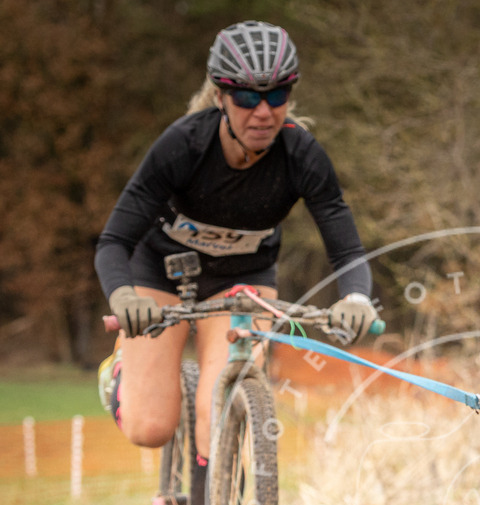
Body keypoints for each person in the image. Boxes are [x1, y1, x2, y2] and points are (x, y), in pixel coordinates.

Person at [94, 19, 377, 460]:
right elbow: (113, 241)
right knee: (149, 429)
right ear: (221, 96)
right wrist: (123, 296)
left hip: (242, 281)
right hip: (160, 274)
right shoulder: (183, 146)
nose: (263, 112)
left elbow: (347, 250)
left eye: (277, 95)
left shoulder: (302, 156)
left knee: (223, 417)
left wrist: (357, 299)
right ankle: (120, 373)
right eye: (247, 97)